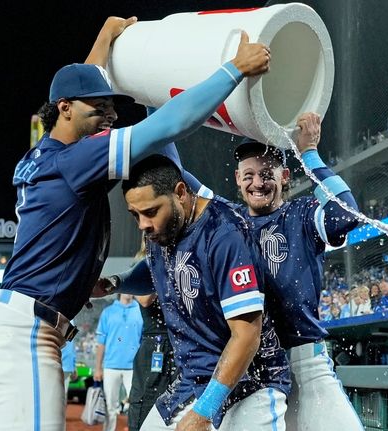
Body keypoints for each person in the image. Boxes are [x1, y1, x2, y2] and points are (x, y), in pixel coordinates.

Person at [0, 16, 272, 430]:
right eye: (101, 109)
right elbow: (168, 125)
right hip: (25, 334)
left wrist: (105, 38)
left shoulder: (45, 152)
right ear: (65, 109)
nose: (110, 115)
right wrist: (234, 68)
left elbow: (80, 86)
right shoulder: (76, 160)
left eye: (112, 106)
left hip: (18, 323)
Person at [106, 155, 290, 430]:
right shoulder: (164, 228)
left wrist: (203, 411)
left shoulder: (225, 232)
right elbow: (158, 271)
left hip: (251, 382)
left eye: (151, 211)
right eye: (135, 214)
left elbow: (247, 335)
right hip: (192, 382)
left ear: (180, 193)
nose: (143, 224)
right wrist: (115, 283)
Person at [225, 113, 363, 430]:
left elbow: (346, 212)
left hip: (305, 361)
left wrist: (309, 152)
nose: (257, 182)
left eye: (267, 173)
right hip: (250, 366)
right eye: (248, 175)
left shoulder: (302, 213)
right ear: (236, 178)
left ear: (285, 175)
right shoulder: (226, 223)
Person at [126, 291, 175, 431]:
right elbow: (145, 299)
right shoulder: (147, 271)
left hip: (181, 344)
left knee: (177, 400)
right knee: (146, 398)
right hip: (155, 344)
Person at [94, 294, 143, 431]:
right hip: (110, 366)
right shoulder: (108, 312)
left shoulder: (140, 310)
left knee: (135, 404)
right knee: (110, 406)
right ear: (120, 291)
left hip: (134, 367)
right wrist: (98, 368)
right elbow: (101, 343)